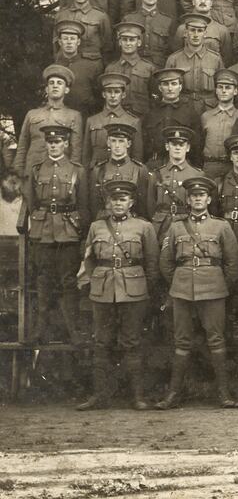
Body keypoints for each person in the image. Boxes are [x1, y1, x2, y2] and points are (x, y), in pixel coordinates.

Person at [156, 176, 238, 409]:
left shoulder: (222, 226)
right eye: (193, 195)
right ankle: (173, 394)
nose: (197, 199)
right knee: (181, 341)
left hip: (213, 289)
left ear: (209, 199)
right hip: (182, 289)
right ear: (188, 199)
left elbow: (233, 263)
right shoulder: (175, 227)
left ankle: (224, 394)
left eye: (202, 195)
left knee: (216, 339)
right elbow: (165, 263)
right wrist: (180, 281)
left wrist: (219, 284)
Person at [74, 179, 159, 411]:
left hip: (133, 292)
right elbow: (88, 260)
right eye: (114, 200)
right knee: (101, 343)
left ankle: (138, 397)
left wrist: (147, 292)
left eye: (123, 199)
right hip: (102, 291)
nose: (118, 203)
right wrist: (93, 283)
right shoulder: (96, 227)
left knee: (132, 342)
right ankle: (100, 396)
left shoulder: (145, 227)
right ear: (108, 203)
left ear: (131, 202)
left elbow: (152, 264)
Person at [26, 124, 88, 348]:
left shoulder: (76, 170)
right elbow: (32, 204)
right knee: (43, 280)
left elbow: (83, 206)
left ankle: (73, 331)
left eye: (58, 142)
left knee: (68, 282)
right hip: (43, 234)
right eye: (50, 142)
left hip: (68, 233)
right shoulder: (36, 170)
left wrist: (81, 236)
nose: (54, 146)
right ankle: (40, 330)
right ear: (46, 144)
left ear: (66, 144)